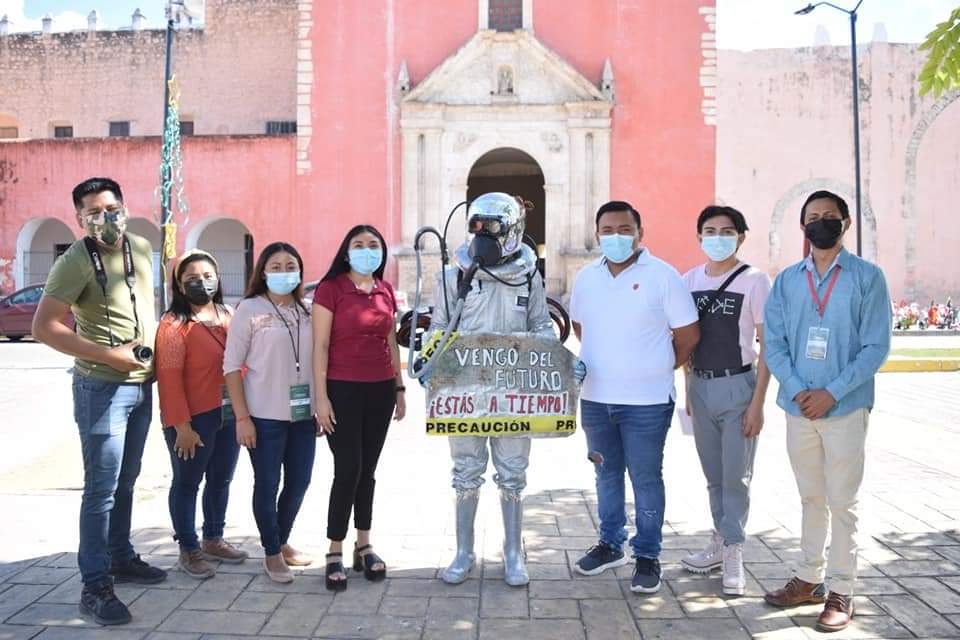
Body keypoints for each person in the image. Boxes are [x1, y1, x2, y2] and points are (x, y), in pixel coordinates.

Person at [32, 177, 167, 626]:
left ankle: (120, 557)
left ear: (125, 207)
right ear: (79, 218)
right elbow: (44, 327)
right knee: (101, 490)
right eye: (92, 212)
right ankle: (95, 586)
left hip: (143, 384)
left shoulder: (143, 248)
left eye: (111, 208)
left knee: (127, 479)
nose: (104, 218)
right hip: (101, 388)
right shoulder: (73, 262)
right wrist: (110, 355)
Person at [763, 190, 891, 632]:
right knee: (810, 497)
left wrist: (831, 393)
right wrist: (800, 391)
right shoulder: (786, 281)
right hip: (799, 409)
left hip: (845, 408)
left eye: (829, 217)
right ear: (803, 226)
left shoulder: (867, 278)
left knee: (843, 502)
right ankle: (807, 577)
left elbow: (876, 346)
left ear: (846, 223)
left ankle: (842, 589)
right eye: (813, 217)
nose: (821, 223)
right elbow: (774, 344)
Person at [569, 200, 699, 594]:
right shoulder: (586, 278)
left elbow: (688, 335)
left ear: (640, 233)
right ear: (597, 235)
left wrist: (655, 366)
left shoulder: (663, 276)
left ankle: (647, 553)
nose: (616, 237)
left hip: (647, 402)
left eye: (624, 229)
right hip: (595, 398)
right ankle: (612, 544)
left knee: (645, 477)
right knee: (606, 473)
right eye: (607, 230)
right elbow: (580, 328)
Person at [428, 192, 554, 587]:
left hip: (513, 392)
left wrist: (560, 358)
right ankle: (464, 551)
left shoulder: (529, 276)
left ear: (513, 231)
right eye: (477, 227)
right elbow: (437, 327)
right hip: (464, 391)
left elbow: (540, 325)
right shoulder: (452, 278)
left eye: (493, 228)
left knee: (513, 473)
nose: (483, 235)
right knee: (466, 471)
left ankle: (513, 552)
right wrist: (431, 360)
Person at [679, 205, 771, 596]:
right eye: (710, 230)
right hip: (700, 386)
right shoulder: (687, 280)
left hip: (738, 387)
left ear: (741, 236)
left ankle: (735, 550)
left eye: (727, 230)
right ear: (699, 236)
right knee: (713, 474)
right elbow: (684, 340)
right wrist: (688, 391)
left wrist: (758, 404)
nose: (718, 237)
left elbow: (768, 347)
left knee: (737, 475)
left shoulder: (754, 281)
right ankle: (719, 540)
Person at [312, 225, 406, 591]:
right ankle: (334, 550)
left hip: (380, 389)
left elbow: (391, 341)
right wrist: (321, 397)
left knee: (368, 469)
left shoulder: (384, 289)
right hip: (342, 389)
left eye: (374, 245)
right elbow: (319, 346)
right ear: (346, 251)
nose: (367, 250)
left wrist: (399, 387)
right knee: (347, 469)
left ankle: (363, 544)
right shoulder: (330, 289)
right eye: (359, 245)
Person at [223, 242, 320, 583]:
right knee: (267, 484)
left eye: (290, 265)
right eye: (276, 266)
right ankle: (271, 552)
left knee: (299, 482)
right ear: (263, 272)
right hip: (263, 417)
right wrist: (242, 418)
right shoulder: (249, 309)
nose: (283, 272)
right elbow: (231, 367)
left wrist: (320, 406)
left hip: (303, 416)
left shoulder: (308, 311)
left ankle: (281, 539)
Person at [155, 250, 248, 580]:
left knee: (221, 479)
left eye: (208, 276)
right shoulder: (173, 325)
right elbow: (168, 379)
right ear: (179, 284)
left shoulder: (228, 314)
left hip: (226, 413)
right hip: (192, 420)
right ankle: (188, 548)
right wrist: (182, 426)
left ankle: (213, 538)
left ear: (218, 278)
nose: (201, 283)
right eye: (192, 278)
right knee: (188, 482)